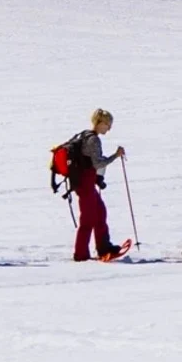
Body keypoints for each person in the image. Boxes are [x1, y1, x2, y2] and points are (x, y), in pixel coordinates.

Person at [69, 108, 126, 262]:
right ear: (100, 123)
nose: (109, 128)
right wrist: (116, 155)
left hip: (85, 182)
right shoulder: (93, 139)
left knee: (100, 212)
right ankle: (81, 255)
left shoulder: (85, 135)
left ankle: (104, 247)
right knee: (88, 219)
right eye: (108, 124)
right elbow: (97, 163)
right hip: (85, 184)